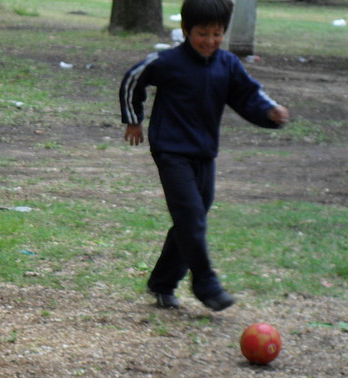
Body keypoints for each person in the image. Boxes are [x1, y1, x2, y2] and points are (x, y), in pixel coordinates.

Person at [119, 0, 289, 311]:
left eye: (216, 33)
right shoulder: (167, 62)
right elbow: (134, 78)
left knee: (191, 219)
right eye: (202, 34)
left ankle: (162, 284)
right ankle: (205, 283)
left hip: (204, 153)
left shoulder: (227, 64)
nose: (209, 41)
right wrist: (133, 119)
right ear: (185, 30)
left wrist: (269, 112)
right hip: (170, 150)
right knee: (191, 218)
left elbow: (248, 94)